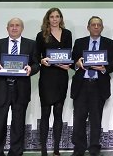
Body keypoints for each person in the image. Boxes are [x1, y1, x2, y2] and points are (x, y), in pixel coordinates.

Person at [0, 18, 40, 156]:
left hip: (21, 89)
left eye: (17, 26)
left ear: (22, 28)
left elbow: (36, 65)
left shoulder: (31, 44)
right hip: (1, 89)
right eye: (11, 25)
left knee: (18, 124)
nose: (14, 28)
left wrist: (30, 69)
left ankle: (16, 152)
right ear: (7, 28)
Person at [71, 16, 113, 156]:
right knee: (79, 119)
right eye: (93, 25)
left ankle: (94, 149)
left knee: (96, 119)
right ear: (88, 27)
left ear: (102, 28)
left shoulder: (109, 43)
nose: (96, 27)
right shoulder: (79, 42)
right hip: (81, 86)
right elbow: (72, 61)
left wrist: (104, 68)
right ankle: (79, 148)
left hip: (98, 86)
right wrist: (77, 64)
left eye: (98, 25)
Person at [36, 8, 72, 156]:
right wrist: (41, 60)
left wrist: (68, 64)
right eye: (52, 17)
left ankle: (56, 149)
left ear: (61, 18)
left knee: (58, 113)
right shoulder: (41, 35)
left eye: (57, 16)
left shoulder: (67, 34)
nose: (55, 19)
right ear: (48, 19)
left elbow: (69, 53)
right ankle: (44, 150)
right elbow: (36, 57)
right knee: (45, 113)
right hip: (47, 77)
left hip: (61, 76)